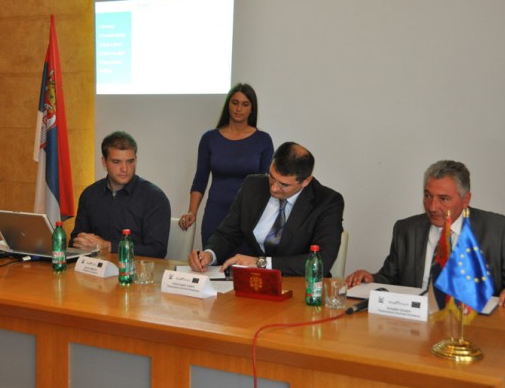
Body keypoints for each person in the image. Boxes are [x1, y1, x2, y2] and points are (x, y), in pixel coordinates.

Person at [346, 160, 505, 308]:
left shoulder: (497, 230)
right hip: (415, 323)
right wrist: (370, 278)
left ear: (465, 200)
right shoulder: (406, 229)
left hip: (475, 326)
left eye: (443, 199)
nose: (432, 206)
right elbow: (390, 278)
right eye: (427, 196)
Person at [188, 142, 344, 277]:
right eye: (272, 177)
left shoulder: (327, 202)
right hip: (253, 282)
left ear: (306, 181)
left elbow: (322, 261)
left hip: (300, 286)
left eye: (284, 185)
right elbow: (228, 234)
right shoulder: (253, 185)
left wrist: (260, 263)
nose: (274, 188)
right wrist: (209, 254)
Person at [178, 83, 274, 249]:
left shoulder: (263, 140)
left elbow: (267, 183)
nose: (239, 109)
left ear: (252, 108)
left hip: (248, 216)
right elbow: (200, 179)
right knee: (211, 260)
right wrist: (192, 211)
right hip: (215, 213)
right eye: (235, 102)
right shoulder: (210, 138)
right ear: (228, 104)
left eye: (245, 104)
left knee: (243, 263)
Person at [70, 131, 171, 258]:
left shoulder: (154, 198)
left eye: (130, 161)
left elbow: (157, 250)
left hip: (136, 268)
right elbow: (74, 240)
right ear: (104, 162)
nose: (125, 169)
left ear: (136, 160)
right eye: (116, 162)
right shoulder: (89, 194)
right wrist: (81, 242)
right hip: (96, 267)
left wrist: (109, 246)